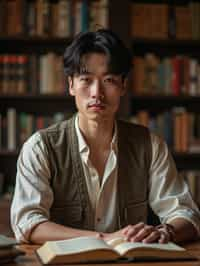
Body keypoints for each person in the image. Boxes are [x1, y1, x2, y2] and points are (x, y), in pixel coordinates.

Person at [11, 29, 200, 244]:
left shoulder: (149, 145)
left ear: (123, 86)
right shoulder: (40, 147)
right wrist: (105, 239)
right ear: (71, 85)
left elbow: (186, 214)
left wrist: (166, 231)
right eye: (86, 79)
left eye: (109, 80)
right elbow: (27, 223)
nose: (96, 93)